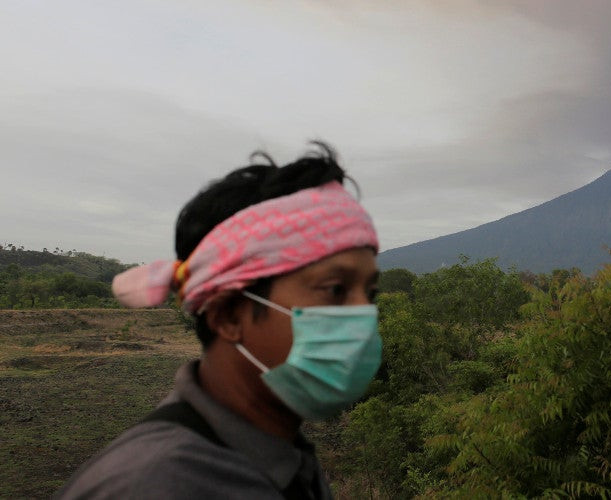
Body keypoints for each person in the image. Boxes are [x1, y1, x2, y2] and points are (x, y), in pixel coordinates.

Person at [57, 142, 381, 499]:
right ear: (226, 315)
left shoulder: (282, 455)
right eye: (335, 290)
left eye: (371, 294)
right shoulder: (156, 486)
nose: (363, 315)